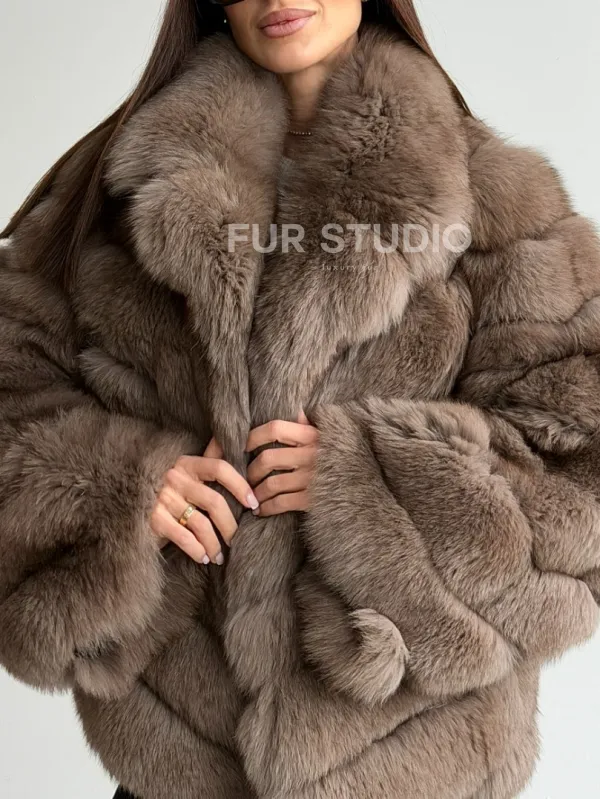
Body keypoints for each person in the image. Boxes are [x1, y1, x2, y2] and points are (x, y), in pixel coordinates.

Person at [1, 1, 600, 797]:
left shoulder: (494, 203)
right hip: (180, 765)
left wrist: (373, 481)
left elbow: (581, 476)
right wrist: (111, 486)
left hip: (416, 769)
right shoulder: (115, 192)